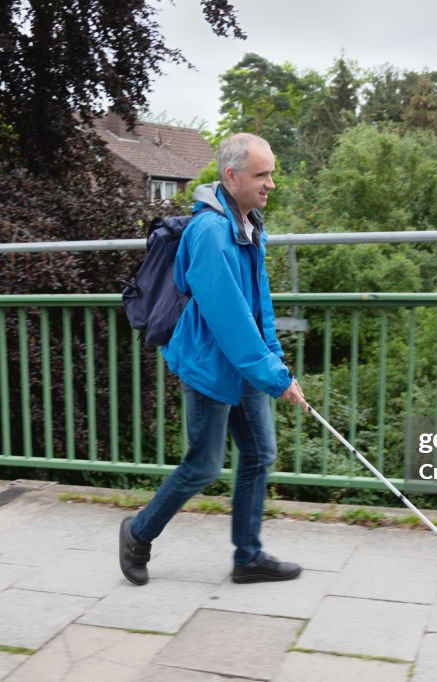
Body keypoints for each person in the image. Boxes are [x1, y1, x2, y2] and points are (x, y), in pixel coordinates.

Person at [120, 133, 307, 586]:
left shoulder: (248, 221)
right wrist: (271, 376)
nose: (270, 184)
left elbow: (256, 302)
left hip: (242, 361)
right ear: (232, 175)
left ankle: (248, 558)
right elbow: (227, 317)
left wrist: (274, 362)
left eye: (271, 173)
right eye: (262, 174)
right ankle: (137, 533)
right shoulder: (209, 233)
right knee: (204, 465)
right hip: (209, 364)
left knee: (260, 453)